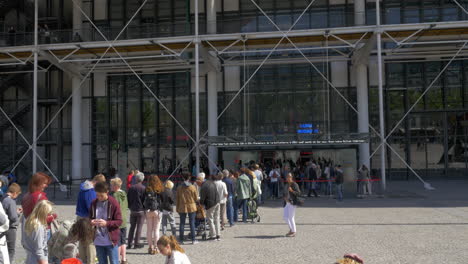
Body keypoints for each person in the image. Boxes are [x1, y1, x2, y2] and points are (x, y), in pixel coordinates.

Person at [75, 174, 105, 264]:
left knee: (82, 240)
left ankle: (83, 261)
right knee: (90, 242)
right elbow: (91, 207)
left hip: (80, 216)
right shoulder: (90, 191)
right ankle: (90, 261)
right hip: (88, 218)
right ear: (96, 182)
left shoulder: (83, 188)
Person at [89, 182, 122, 264]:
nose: (99, 198)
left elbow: (119, 221)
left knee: (114, 262)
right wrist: (91, 221)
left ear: (107, 192)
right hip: (98, 240)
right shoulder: (93, 203)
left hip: (110, 240)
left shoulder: (113, 203)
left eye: (101, 195)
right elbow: (89, 218)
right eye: (97, 195)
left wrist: (107, 223)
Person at [22, 200, 53, 264]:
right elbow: (39, 248)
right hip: (37, 259)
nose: (50, 216)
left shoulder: (29, 220)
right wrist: (43, 261)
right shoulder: (38, 226)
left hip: (30, 256)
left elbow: (23, 241)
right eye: (48, 214)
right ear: (43, 213)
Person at [1, 183, 22, 263]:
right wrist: (18, 213)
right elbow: (13, 217)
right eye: (17, 195)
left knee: (4, 248)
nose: (17, 197)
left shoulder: (3, 198)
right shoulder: (11, 201)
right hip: (10, 228)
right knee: (11, 249)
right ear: (15, 193)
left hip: (3, 227)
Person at [176, 172, 198, 244]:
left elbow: (177, 199)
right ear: (189, 178)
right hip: (191, 206)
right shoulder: (192, 187)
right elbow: (195, 198)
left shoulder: (179, 187)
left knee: (182, 223)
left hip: (182, 206)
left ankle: (181, 240)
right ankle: (193, 239)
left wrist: (177, 207)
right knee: (192, 223)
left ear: (183, 178)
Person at [110, 178, 128, 264]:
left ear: (116, 186)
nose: (110, 187)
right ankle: (124, 259)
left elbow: (113, 208)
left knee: (118, 242)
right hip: (124, 220)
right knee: (123, 241)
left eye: (112, 185)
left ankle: (116, 260)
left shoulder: (115, 195)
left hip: (117, 220)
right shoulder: (124, 193)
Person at [144, 175, 164, 255]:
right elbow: (162, 201)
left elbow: (143, 199)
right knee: (156, 230)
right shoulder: (159, 189)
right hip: (157, 210)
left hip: (148, 211)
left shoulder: (147, 189)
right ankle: (156, 247)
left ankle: (150, 247)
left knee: (149, 230)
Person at [126, 172, 145, 249]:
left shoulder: (131, 188)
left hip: (133, 210)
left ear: (136, 179)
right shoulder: (143, 188)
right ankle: (136, 244)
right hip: (140, 210)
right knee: (139, 228)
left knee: (132, 227)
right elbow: (144, 200)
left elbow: (128, 199)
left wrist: (130, 206)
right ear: (142, 179)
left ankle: (129, 243)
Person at [200, 175, 220, 241]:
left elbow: (202, 198)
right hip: (217, 201)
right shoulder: (212, 183)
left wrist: (202, 204)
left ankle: (213, 235)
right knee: (217, 218)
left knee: (210, 219)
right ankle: (218, 234)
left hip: (210, 204)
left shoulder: (203, 186)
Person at [283, 173, 300, 237]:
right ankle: (291, 229)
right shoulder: (286, 184)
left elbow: (298, 193)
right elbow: (284, 193)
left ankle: (293, 231)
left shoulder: (294, 184)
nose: (288, 178)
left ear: (291, 177)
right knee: (285, 217)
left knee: (291, 217)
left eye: (289, 177)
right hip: (286, 202)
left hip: (292, 203)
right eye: (287, 177)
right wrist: (284, 197)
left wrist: (292, 190)